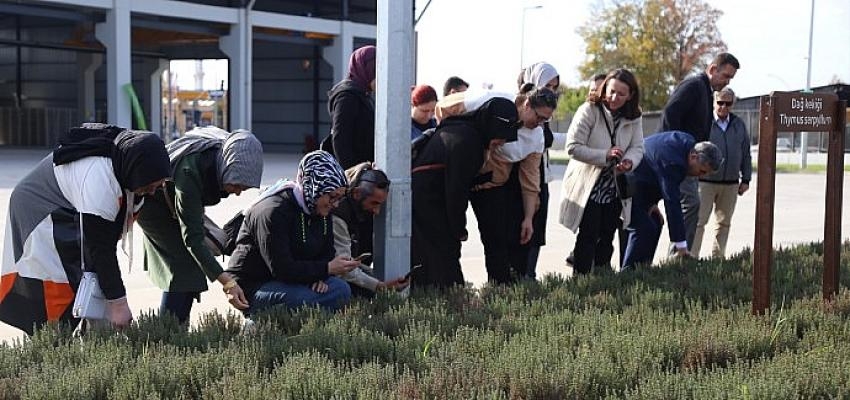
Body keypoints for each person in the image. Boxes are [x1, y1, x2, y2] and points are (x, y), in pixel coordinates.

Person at [0, 123, 170, 334]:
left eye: (159, 185)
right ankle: (53, 348)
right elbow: (100, 247)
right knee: (56, 290)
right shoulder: (100, 178)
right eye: (150, 185)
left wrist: (109, 297)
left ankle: (82, 337)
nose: (153, 192)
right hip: (39, 209)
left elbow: (102, 246)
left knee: (86, 281)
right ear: (138, 171)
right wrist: (118, 304)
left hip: (69, 210)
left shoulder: (129, 170)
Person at [135, 126, 263, 324]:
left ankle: (177, 328)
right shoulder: (189, 174)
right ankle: (167, 335)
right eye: (236, 184)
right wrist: (228, 283)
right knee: (182, 269)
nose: (237, 193)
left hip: (174, 201)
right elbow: (193, 240)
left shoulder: (220, 157)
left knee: (192, 266)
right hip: (152, 203)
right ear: (227, 167)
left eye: (243, 188)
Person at [435, 87, 557, 283]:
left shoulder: (536, 137)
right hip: (458, 176)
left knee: (496, 242)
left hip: (490, 185)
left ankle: (498, 291)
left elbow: (530, 180)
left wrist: (528, 219)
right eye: (538, 117)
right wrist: (459, 143)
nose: (539, 124)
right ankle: (448, 288)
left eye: (545, 120)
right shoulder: (490, 100)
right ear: (526, 105)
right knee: (450, 234)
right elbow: (443, 108)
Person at [226, 150, 356, 314]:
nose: (335, 204)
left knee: (341, 289)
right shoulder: (273, 211)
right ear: (313, 188)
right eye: (332, 196)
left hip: (295, 279)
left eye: (339, 198)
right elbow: (282, 268)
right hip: (256, 284)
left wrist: (319, 277)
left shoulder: (318, 209)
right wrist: (325, 269)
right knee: (302, 298)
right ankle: (260, 325)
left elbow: (327, 251)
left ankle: (312, 330)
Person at [410, 97, 519, 288]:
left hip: (425, 201)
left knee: (432, 265)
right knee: (443, 268)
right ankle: (447, 308)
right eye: (501, 138)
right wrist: (459, 229)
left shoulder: (462, 129)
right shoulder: (470, 143)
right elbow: (456, 191)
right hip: (430, 205)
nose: (501, 144)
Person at [558, 68, 645, 275]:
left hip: (614, 186)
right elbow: (572, 147)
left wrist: (629, 162)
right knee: (587, 236)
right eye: (611, 91)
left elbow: (638, 147)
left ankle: (603, 282)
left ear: (631, 96)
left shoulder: (634, 116)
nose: (614, 98)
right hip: (588, 185)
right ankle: (580, 283)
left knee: (607, 236)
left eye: (621, 94)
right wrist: (604, 155)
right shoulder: (589, 109)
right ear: (605, 87)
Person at [659, 52, 740, 253]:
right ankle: (678, 257)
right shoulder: (694, 86)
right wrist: (677, 150)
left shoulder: (705, 90)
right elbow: (670, 114)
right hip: (681, 160)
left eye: (730, 78)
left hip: (691, 163)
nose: (727, 82)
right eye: (725, 76)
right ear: (713, 69)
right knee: (691, 205)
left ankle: (681, 255)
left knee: (690, 208)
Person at [621, 132, 722, 270]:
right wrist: (681, 246)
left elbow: (656, 172)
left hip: (642, 186)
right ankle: (628, 274)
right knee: (644, 228)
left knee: (655, 222)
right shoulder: (674, 162)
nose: (700, 176)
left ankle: (643, 269)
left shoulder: (688, 143)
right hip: (627, 184)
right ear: (694, 157)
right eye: (702, 171)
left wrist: (651, 203)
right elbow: (672, 202)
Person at [331, 162, 408, 295]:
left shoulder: (353, 210)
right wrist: (380, 286)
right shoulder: (339, 216)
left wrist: (375, 279)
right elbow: (345, 269)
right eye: (374, 203)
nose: (377, 211)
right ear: (356, 194)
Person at [693, 88, 751, 258]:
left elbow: (746, 152)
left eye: (728, 103)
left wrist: (746, 178)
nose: (724, 107)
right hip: (705, 182)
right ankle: (692, 257)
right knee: (699, 222)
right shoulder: (704, 122)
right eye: (720, 103)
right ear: (714, 102)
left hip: (731, 183)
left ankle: (717, 258)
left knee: (724, 223)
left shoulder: (739, 124)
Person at [517, 61, 561, 278]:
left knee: (537, 229)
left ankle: (529, 275)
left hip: (541, 175)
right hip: (521, 178)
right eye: (548, 85)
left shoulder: (545, 113)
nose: (551, 91)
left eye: (555, 87)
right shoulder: (524, 108)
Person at [322, 45, 376, 169]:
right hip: (354, 173)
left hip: (365, 168)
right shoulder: (347, 96)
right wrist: (351, 172)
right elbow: (340, 139)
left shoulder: (364, 94)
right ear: (365, 70)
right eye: (375, 72)